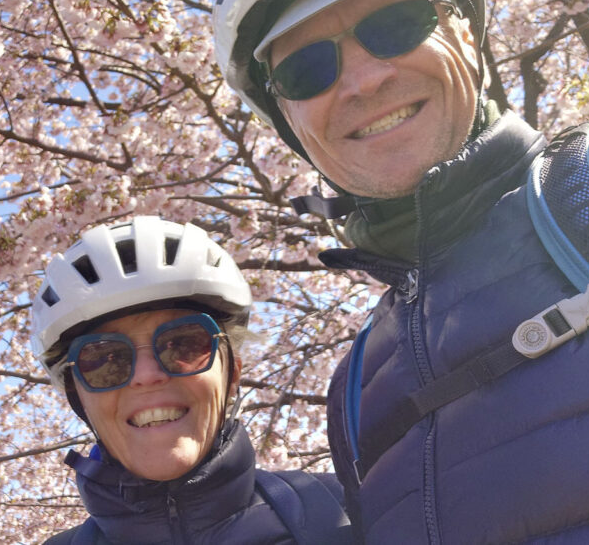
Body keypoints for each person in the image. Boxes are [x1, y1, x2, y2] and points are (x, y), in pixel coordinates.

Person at [212, 0, 589, 544]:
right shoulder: (353, 392)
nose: (364, 79)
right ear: (290, 123)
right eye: (306, 70)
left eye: (396, 26)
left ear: (467, 34)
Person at [30, 216, 352, 544]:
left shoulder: (349, 514)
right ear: (78, 396)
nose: (147, 376)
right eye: (103, 359)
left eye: (183, 343)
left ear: (233, 373)